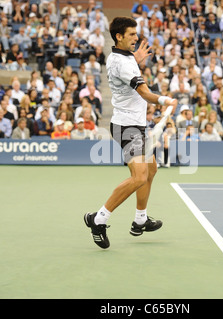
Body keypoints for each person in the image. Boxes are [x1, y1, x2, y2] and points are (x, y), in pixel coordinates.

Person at [84, 17, 177, 249]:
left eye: (137, 34)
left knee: (151, 169)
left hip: (136, 124)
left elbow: (127, 71)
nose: (137, 38)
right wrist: (166, 100)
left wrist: (136, 60)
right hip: (127, 128)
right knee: (139, 177)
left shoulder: (121, 57)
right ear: (119, 37)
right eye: (132, 34)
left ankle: (140, 220)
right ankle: (99, 219)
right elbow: (146, 94)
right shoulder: (124, 63)